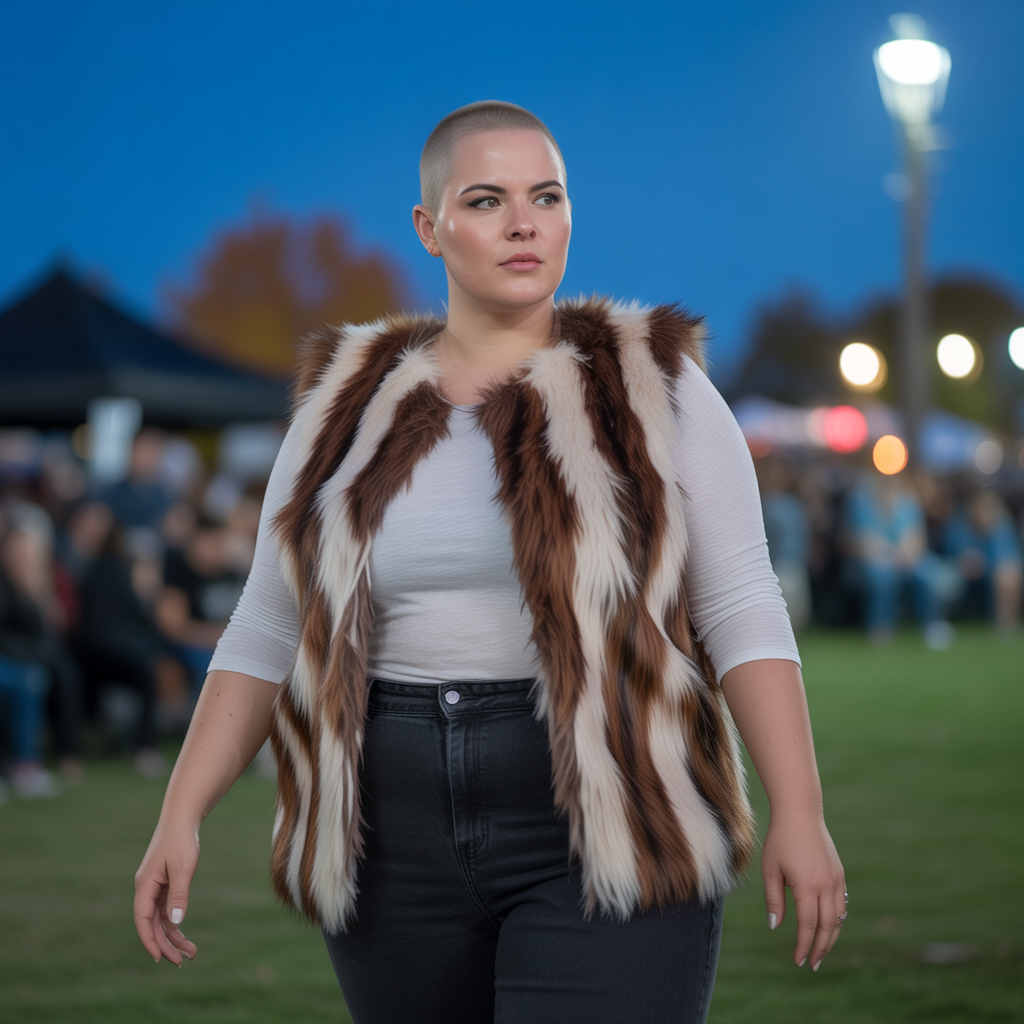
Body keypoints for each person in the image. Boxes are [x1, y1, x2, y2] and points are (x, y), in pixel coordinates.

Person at [135, 102, 845, 1023]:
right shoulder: (342, 404)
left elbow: (742, 601)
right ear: (429, 228)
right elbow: (267, 625)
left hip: (615, 816)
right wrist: (180, 813)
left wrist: (799, 808)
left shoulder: (654, 383)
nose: (523, 223)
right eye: (486, 200)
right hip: (388, 841)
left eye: (546, 197)